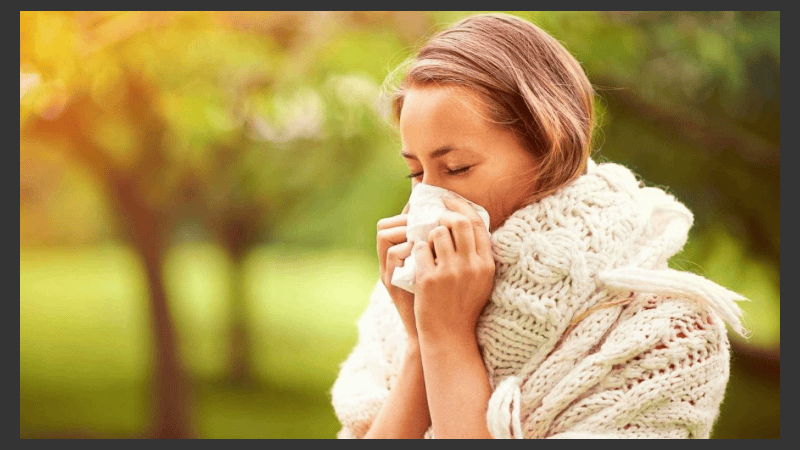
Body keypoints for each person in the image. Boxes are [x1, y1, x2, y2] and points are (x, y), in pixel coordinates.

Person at [330, 13, 748, 439]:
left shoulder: (668, 334)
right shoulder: (407, 302)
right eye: (416, 173)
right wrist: (422, 342)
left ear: (550, 148)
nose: (426, 203)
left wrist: (450, 341)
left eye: (456, 168)